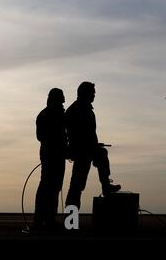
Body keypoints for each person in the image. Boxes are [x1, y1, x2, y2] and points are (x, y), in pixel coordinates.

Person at [65, 82, 121, 209]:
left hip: (87, 149)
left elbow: (88, 134)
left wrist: (94, 144)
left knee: (101, 154)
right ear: (86, 94)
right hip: (81, 152)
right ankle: (71, 223)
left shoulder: (83, 108)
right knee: (76, 187)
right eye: (92, 93)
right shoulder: (76, 110)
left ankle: (106, 186)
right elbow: (75, 134)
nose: (94, 95)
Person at [34, 88, 68, 230]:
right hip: (51, 154)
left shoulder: (48, 114)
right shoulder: (47, 115)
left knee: (53, 187)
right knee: (48, 186)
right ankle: (43, 220)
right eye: (60, 101)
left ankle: (47, 219)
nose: (62, 104)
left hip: (56, 154)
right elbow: (41, 136)